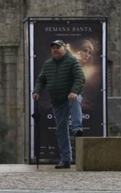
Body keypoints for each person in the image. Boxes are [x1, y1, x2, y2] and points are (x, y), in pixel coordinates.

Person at [34, 38, 85, 168]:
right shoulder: (48, 64)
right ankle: (66, 160)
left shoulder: (72, 61)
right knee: (61, 130)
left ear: (64, 49)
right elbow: (41, 80)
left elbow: (80, 77)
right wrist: (37, 91)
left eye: (58, 47)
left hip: (70, 96)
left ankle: (77, 129)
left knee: (75, 100)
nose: (55, 50)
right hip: (57, 100)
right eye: (53, 48)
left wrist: (74, 91)